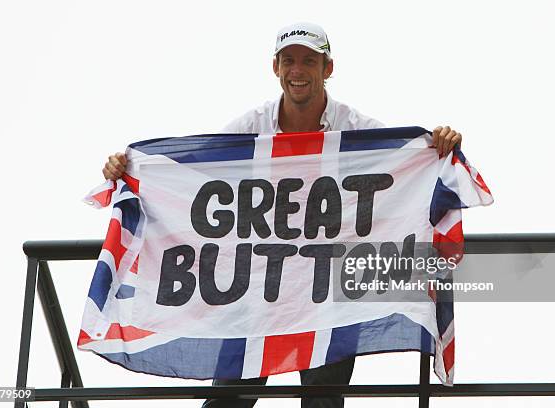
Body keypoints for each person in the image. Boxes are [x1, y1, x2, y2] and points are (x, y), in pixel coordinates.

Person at [101, 22, 463, 408]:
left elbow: (405, 165)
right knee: (229, 398)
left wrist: (438, 147)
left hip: (330, 289)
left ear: (328, 68)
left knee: (323, 399)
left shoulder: (357, 130)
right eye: (289, 60)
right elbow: (195, 179)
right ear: (275, 68)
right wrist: (133, 171)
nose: (298, 70)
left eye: (309, 61)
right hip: (259, 284)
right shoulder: (249, 128)